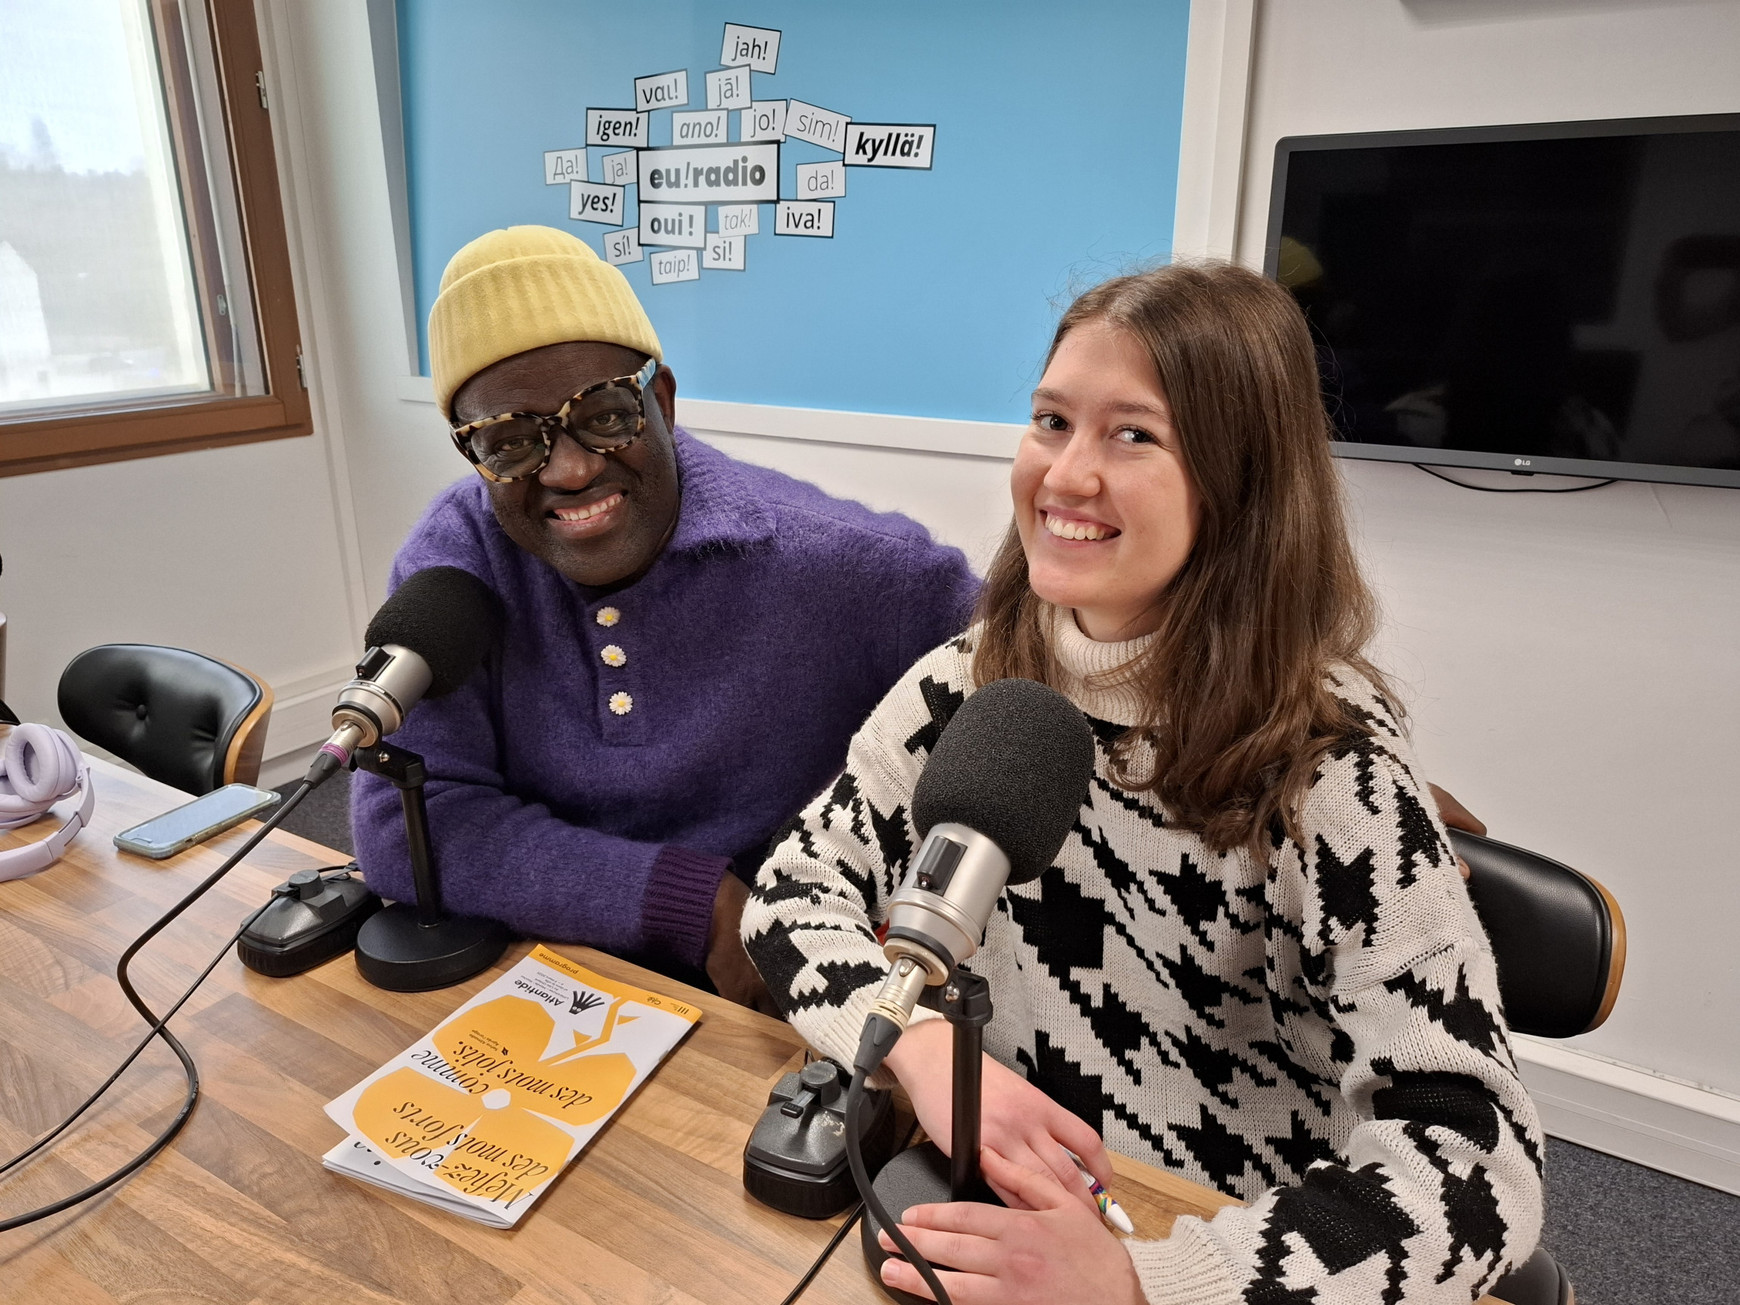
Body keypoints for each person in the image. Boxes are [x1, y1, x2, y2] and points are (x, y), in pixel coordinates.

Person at [741, 262, 1543, 1304]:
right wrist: (924, 1051)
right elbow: (793, 891)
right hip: (1022, 1198)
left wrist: (1153, 1283)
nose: (1067, 476)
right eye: (1051, 421)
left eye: (1134, 436)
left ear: (1241, 483)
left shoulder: (1331, 770)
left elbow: (1477, 1164)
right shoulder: (974, 683)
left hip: (1223, 1238)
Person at [352, 226, 978, 1012]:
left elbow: (1013, 682)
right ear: (474, 456)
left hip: (777, 1002)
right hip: (555, 973)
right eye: (512, 441)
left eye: (607, 415)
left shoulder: (840, 561)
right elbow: (404, 824)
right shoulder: (452, 564)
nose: (571, 469)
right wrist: (695, 902)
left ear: (664, 402)